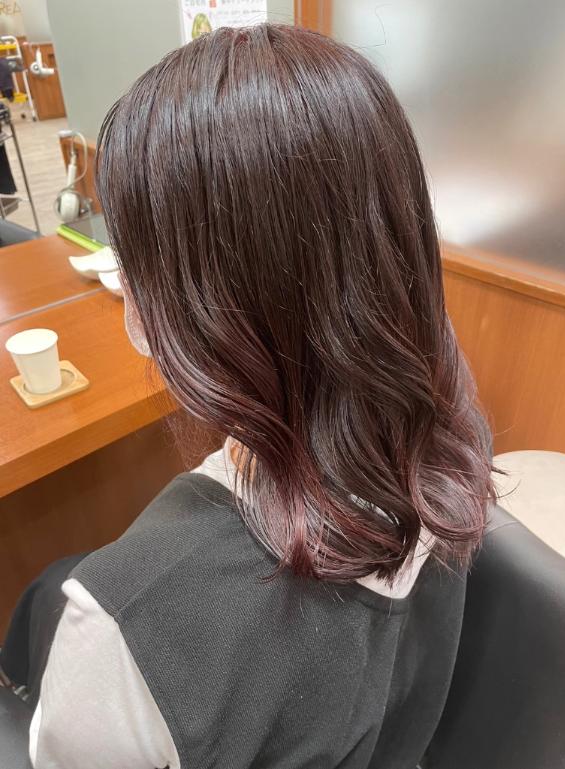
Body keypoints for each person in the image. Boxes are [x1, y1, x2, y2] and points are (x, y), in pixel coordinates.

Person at [2, 23, 494, 768]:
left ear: (199, 308)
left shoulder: (125, 626)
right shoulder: (452, 427)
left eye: (136, 262)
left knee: (44, 595)